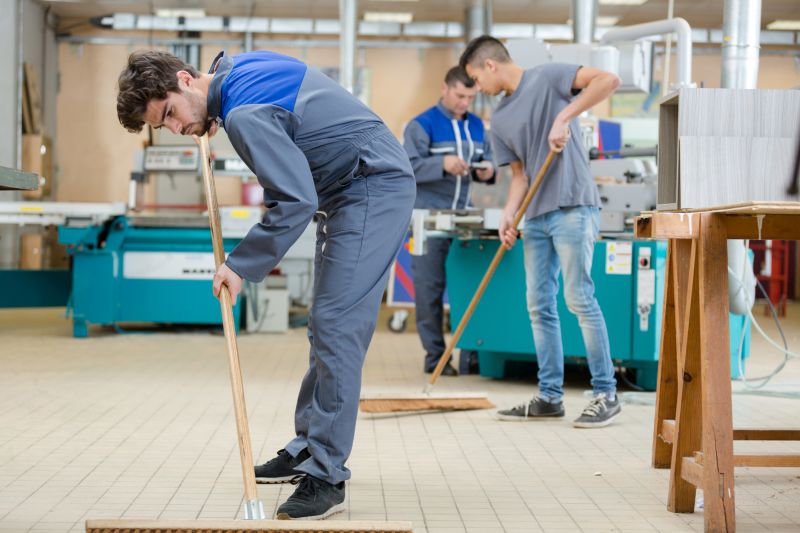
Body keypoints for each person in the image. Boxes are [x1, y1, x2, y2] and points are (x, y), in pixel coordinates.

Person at [116, 49, 415, 519]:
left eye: (170, 114)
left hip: (371, 186)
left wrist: (239, 265)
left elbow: (295, 201)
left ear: (185, 79)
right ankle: (307, 447)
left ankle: (327, 474)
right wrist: (209, 113)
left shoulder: (244, 112)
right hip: (349, 184)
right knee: (324, 323)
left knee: (336, 322)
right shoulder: (234, 76)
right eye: (164, 126)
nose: (175, 130)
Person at [459, 36, 622, 428]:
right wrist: (509, 215)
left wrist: (564, 117)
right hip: (535, 215)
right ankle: (550, 396)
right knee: (539, 306)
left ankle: (605, 392)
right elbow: (520, 176)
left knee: (578, 298)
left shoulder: (548, 78)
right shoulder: (498, 119)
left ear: (490, 66)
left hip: (572, 206)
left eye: (476, 79)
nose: (477, 88)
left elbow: (608, 80)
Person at [403, 66, 495, 376]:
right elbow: (408, 168)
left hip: (464, 217)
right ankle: (436, 359)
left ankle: (472, 355)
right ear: (445, 89)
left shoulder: (478, 127)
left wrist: (488, 171)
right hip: (428, 219)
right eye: (459, 95)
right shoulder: (422, 125)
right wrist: (441, 163)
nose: (464, 103)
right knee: (429, 290)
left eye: (470, 97)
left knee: (470, 288)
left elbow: (489, 161)